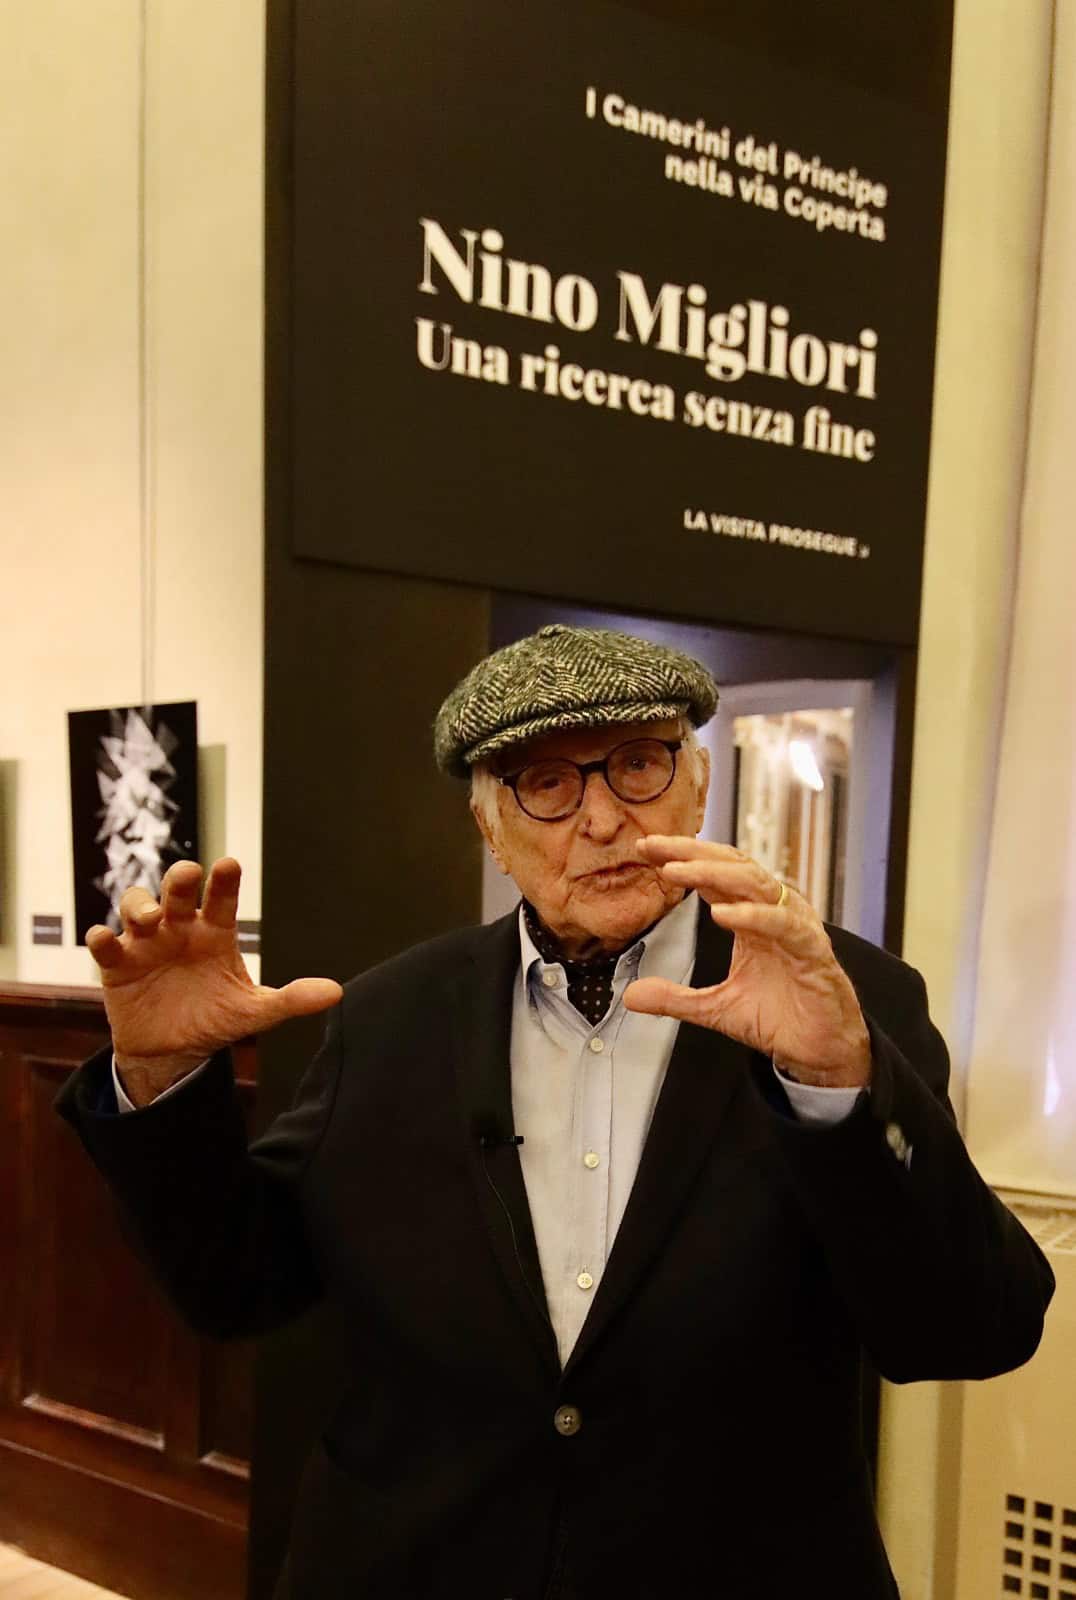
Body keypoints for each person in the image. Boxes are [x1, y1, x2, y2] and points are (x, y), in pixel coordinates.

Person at [56, 623, 1053, 1599]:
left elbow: (971, 1329)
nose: (604, 819)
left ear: (699, 782)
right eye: (545, 783)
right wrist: (162, 1078)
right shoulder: (392, 1014)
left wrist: (836, 1084)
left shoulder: (844, 997)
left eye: (638, 764)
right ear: (489, 827)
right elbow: (237, 1285)